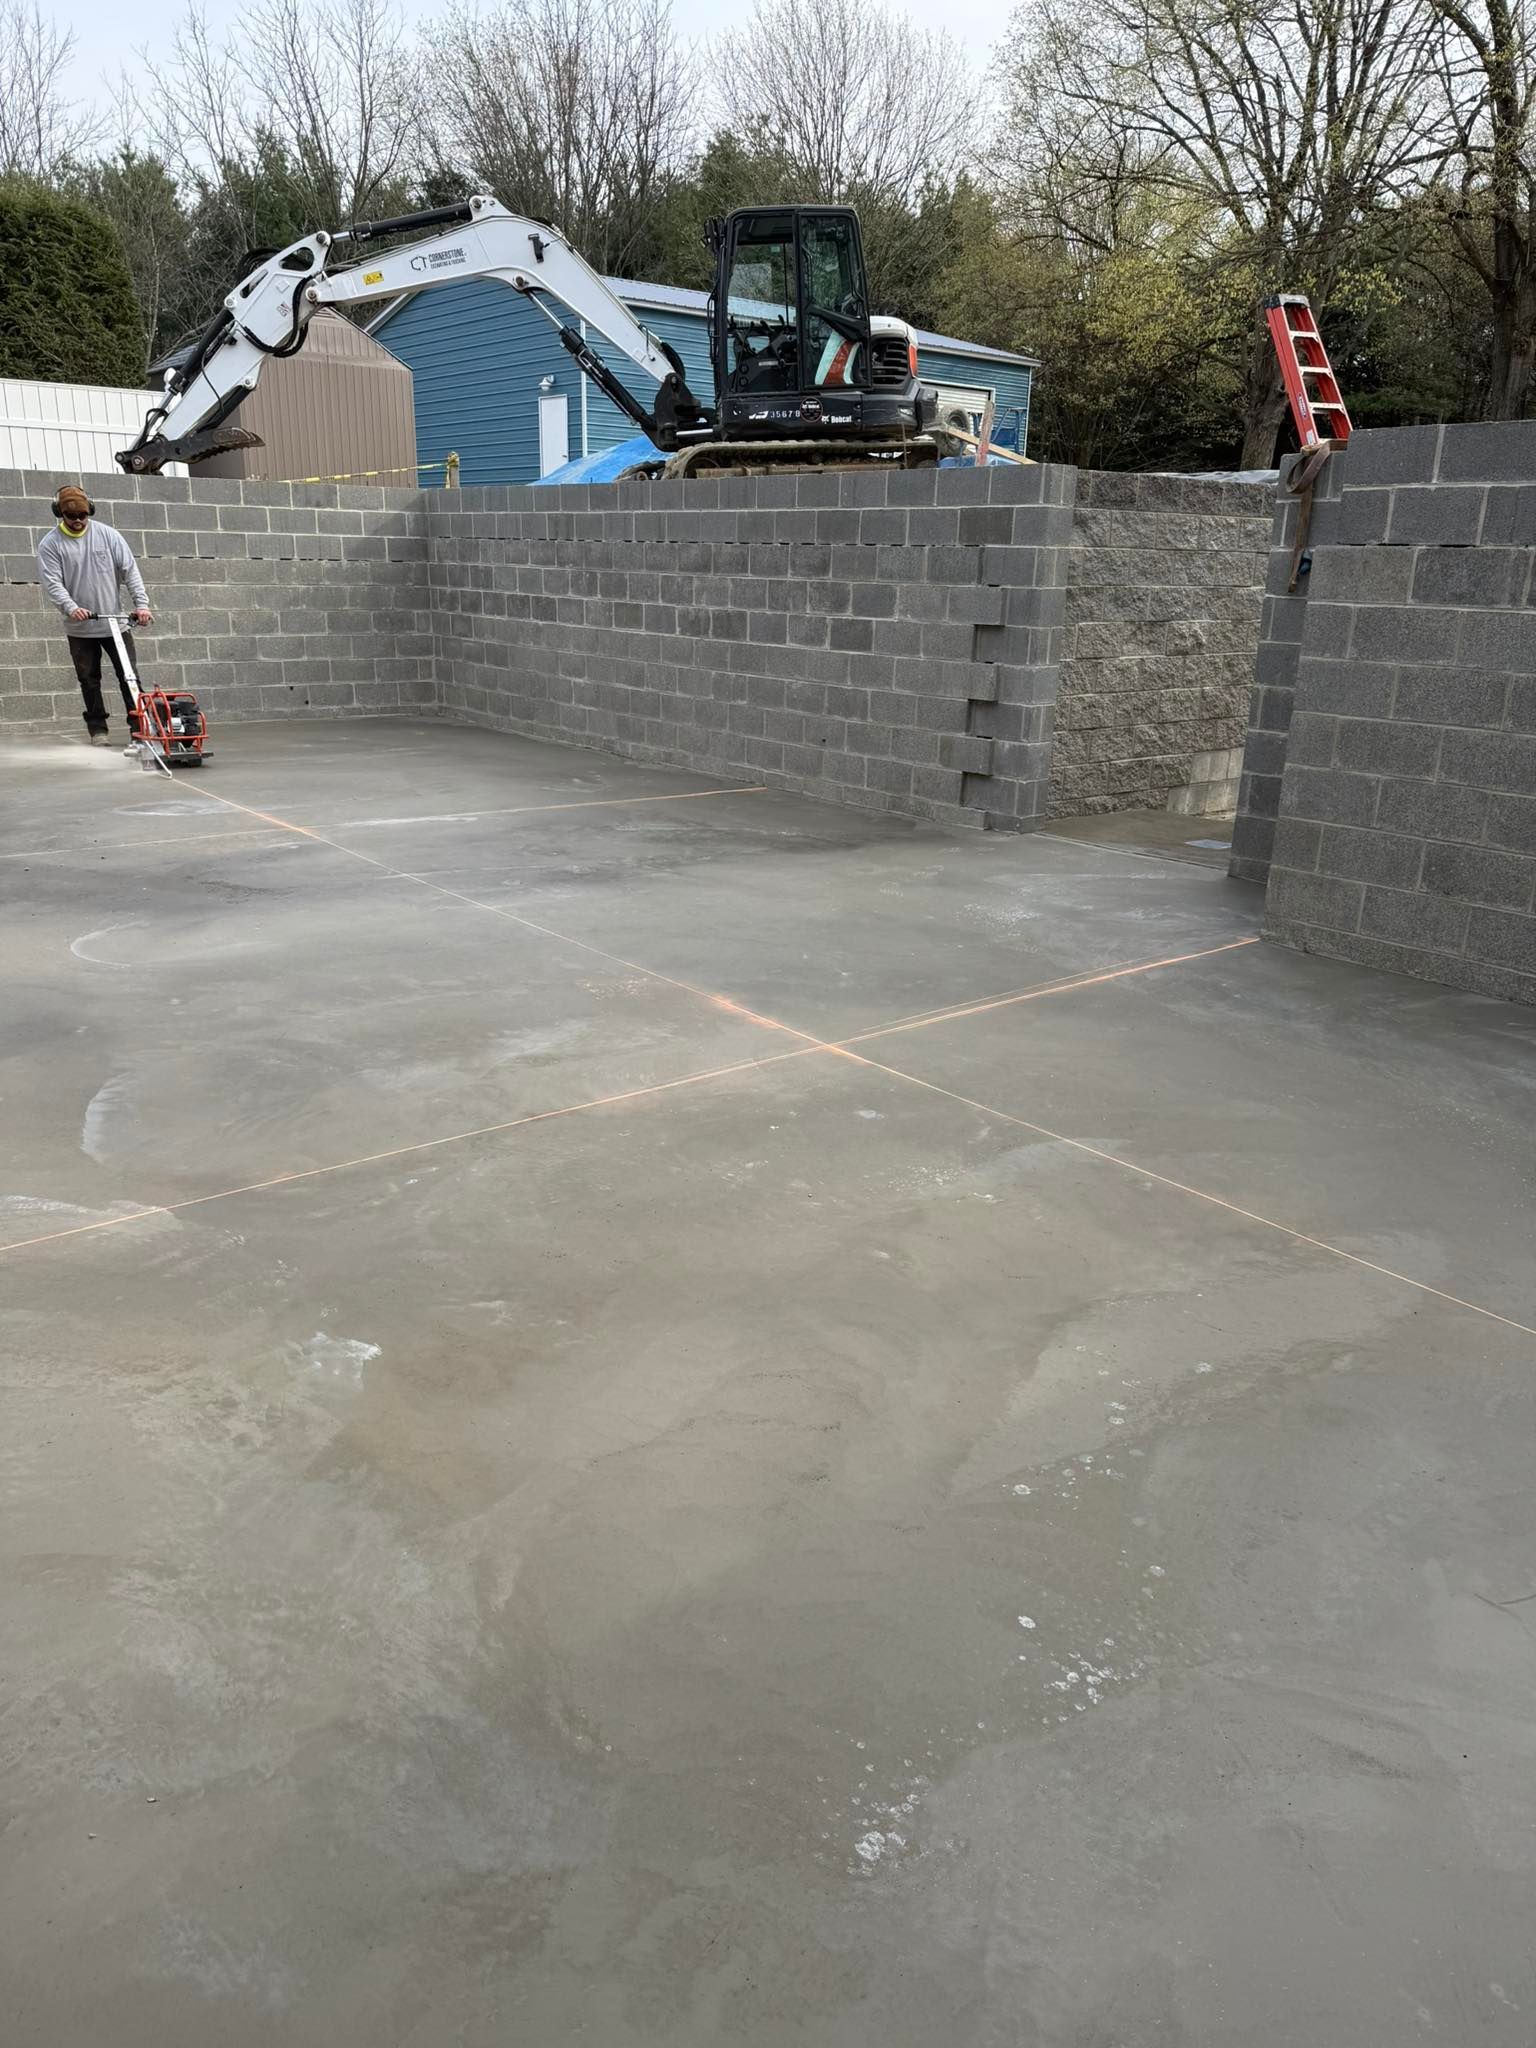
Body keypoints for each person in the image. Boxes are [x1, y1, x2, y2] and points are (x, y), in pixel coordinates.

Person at [36, 485, 155, 745]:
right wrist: (71, 608)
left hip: (115, 623)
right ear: (60, 514)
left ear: (89, 512)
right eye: (71, 517)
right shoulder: (51, 544)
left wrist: (142, 605)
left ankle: (140, 728)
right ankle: (98, 729)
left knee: (129, 676)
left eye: (82, 516)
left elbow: (130, 571)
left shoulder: (108, 536)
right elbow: (53, 583)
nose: (78, 521)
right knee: (89, 680)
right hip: (80, 628)